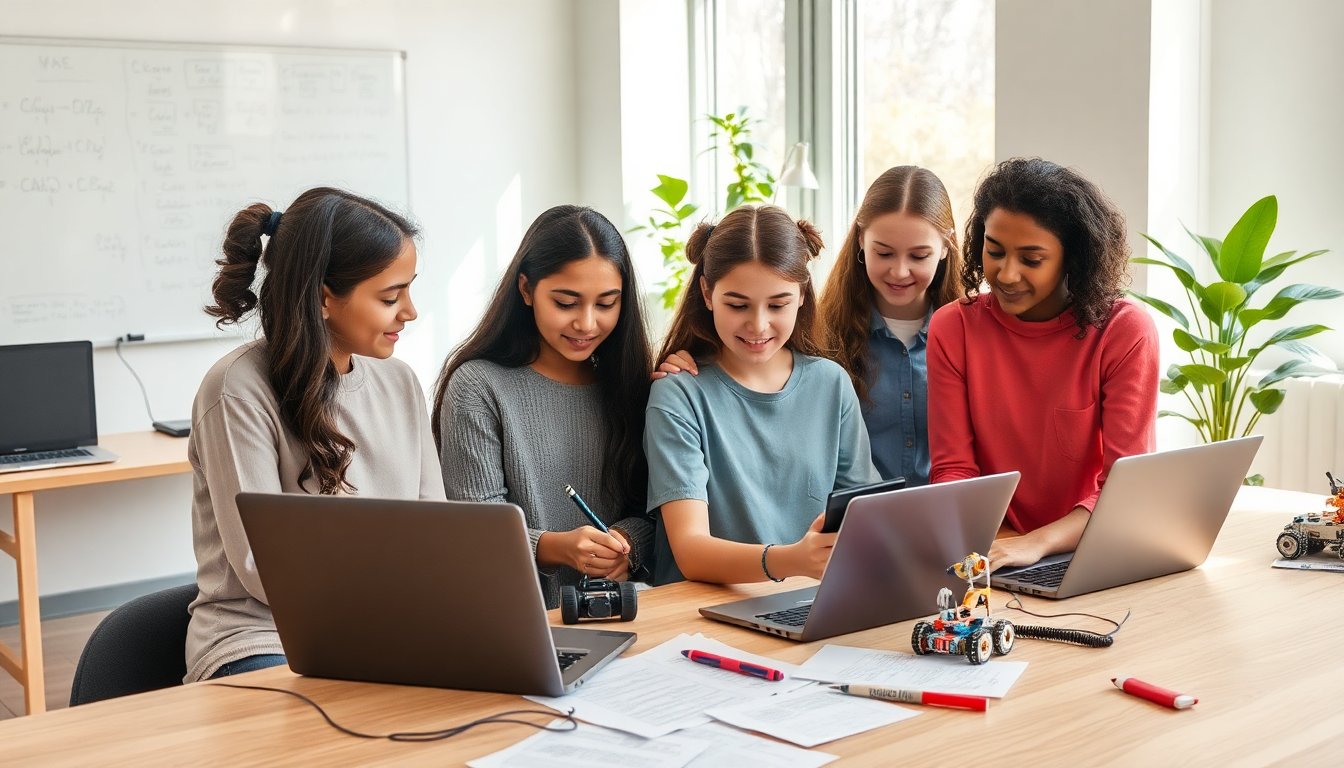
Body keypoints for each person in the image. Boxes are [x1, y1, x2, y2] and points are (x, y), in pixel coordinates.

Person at [186, 188, 445, 682]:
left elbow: (437, 529)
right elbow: (263, 567)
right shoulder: (236, 389)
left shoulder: (401, 382)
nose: (409, 312)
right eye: (390, 297)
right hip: (263, 638)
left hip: (384, 625)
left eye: (408, 291)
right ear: (324, 298)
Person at [926, 158, 1159, 569]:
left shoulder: (1124, 332)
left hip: (1091, 546)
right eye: (994, 251)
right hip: (995, 546)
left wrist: (1036, 543)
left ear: (1073, 258)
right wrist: (996, 545)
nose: (1006, 274)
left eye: (1031, 260)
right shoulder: (954, 328)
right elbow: (954, 471)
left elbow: (1125, 489)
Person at [433, 205, 654, 609]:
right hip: (517, 620)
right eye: (566, 303)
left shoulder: (630, 384)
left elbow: (654, 510)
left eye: (606, 304)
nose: (587, 323)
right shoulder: (478, 385)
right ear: (526, 289)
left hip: (621, 614)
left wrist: (626, 543)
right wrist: (556, 547)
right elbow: (475, 528)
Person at [646, 204, 880, 586]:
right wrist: (793, 560)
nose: (758, 325)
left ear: (802, 294)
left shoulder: (831, 385)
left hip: (811, 599)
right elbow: (690, 551)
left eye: (777, 304)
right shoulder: (678, 395)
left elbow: (865, 514)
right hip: (704, 609)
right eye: (738, 305)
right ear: (707, 293)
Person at [815, 166, 964, 484]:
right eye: (883, 253)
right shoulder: (821, 333)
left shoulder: (971, 334)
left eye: (918, 256)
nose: (899, 272)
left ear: (945, 246)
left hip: (948, 510)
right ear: (860, 239)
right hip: (855, 512)